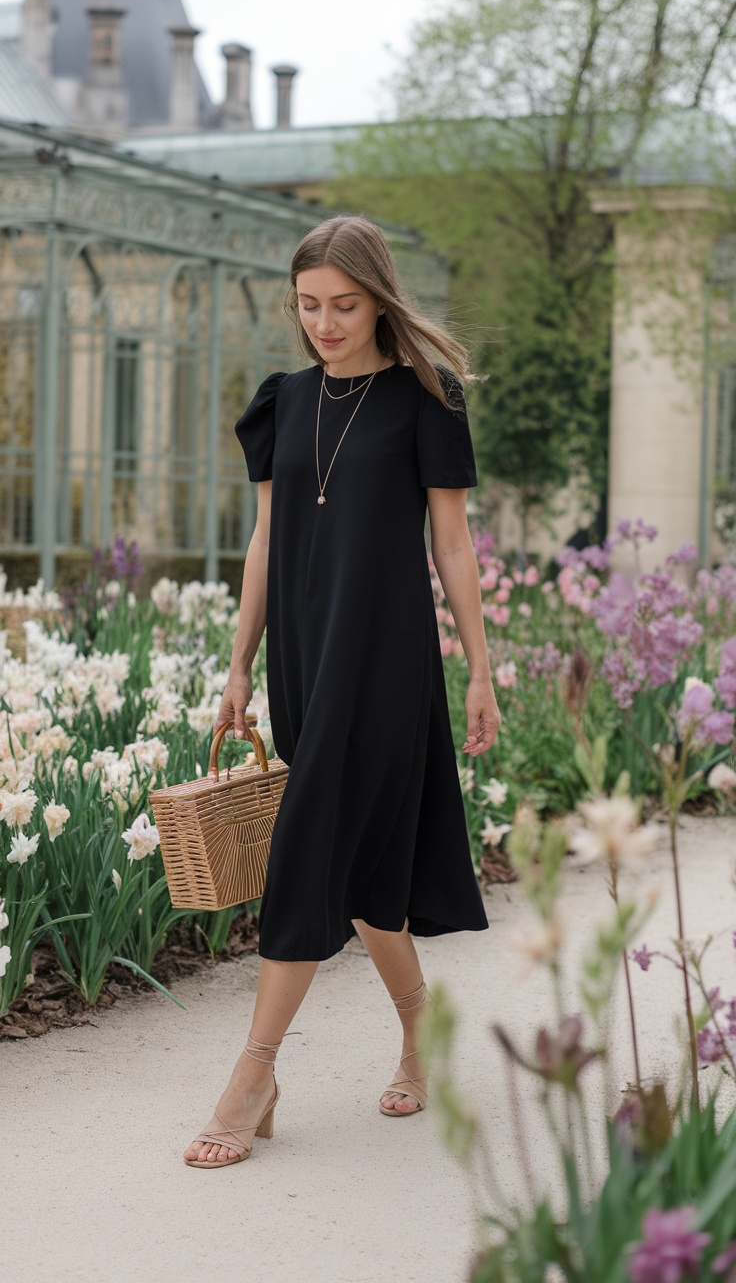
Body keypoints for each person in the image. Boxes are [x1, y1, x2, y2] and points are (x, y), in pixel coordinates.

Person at [183, 214, 502, 1169]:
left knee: (309, 847)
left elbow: (452, 545)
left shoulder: (423, 399)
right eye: (309, 305)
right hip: (306, 656)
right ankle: (421, 1030)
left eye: (345, 306)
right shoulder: (282, 400)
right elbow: (268, 541)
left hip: (389, 662)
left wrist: (480, 669)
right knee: (366, 887)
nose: (325, 323)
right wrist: (240, 663)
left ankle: (254, 1074)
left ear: (380, 298)